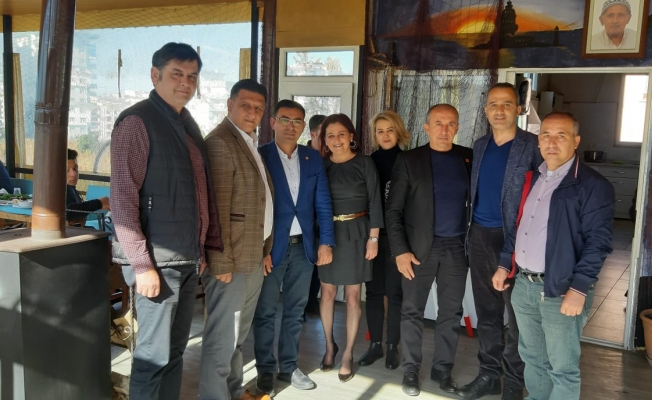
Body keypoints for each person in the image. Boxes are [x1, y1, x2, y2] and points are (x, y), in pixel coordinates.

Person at [110, 42, 223, 400]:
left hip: (185, 259)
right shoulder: (137, 122)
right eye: (177, 74)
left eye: (192, 76)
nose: (186, 82)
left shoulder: (186, 124)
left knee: (174, 355)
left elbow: (196, 195)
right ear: (154, 75)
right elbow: (123, 200)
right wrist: (142, 265)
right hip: (157, 264)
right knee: (152, 358)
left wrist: (199, 250)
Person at [493, 111, 615, 399]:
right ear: (538, 141)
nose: (551, 142)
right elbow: (520, 226)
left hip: (561, 290)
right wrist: (504, 264)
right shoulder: (533, 178)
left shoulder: (593, 185)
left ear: (576, 141)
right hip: (524, 287)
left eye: (561, 135)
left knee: (562, 368)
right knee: (533, 359)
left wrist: (579, 288)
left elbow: (598, 243)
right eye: (546, 135)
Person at [457, 83, 541, 400]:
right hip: (479, 235)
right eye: (493, 104)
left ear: (518, 108)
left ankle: (515, 382)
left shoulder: (532, 146)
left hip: (516, 239)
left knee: (517, 318)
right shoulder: (480, 145)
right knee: (487, 313)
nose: (500, 110)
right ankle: (489, 375)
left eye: (507, 104)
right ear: (485, 110)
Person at [386, 104, 472, 396]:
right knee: (412, 310)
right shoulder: (409, 160)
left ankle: (442, 370)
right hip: (417, 250)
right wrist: (400, 251)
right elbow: (393, 210)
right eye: (438, 123)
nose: (444, 130)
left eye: (450, 124)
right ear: (426, 128)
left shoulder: (467, 157)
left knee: (451, 312)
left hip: (456, 248)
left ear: (457, 127)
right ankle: (410, 370)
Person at [253, 100, 335, 396]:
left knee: (295, 311)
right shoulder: (260, 156)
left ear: (304, 126)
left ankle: (288, 367)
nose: (291, 126)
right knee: (264, 312)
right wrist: (261, 249)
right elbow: (255, 206)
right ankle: (265, 369)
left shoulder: (312, 158)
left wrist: (326, 241)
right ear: (272, 122)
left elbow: (323, 203)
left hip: (304, 249)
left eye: (297, 121)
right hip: (271, 249)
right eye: (285, 119)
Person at [200, 79, 273, 400]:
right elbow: (216, 209)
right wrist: (220, 261)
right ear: (230, 105)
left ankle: (232, 391)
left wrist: (265, 249)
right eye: (246, 105)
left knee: (237, 337)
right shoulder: (220, 142)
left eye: (259, 108)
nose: (252, 112)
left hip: (252, 256)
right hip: (229, 262)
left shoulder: (248, 141)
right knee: (222, 340)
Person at [318, 113, 383, 383]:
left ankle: (347, 354)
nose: (336, 140)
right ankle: (329, 346)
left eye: (341, 134)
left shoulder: (365, 163)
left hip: (358, 233)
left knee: (353, 297)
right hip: (328, 234)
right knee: (327, 293)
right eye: (330, 135)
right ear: (324, 140)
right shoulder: (321, 166)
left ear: (351, 136)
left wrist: (374, 238)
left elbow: (376, 201)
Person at [358, 110, 410, 370]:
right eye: (380, 131)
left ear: (398, 132)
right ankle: (375, 345)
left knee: (395, 293)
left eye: (390, 130)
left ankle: (392, 347)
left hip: (398, 238)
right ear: (374, 135)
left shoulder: (409, 160)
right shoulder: (369, 162)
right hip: (372, 237)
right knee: (374, 292)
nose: (385, 135)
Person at [305, 113, 328, 316]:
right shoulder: (300, 156)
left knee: (320, 263)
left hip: (325, 221)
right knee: (306, 263)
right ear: (313, 134)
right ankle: (305, 304)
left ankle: (312, 301)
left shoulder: (332, 158)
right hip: (304, 220)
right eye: (324, 133)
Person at [66, 148, 110, 224]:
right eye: (67, 170)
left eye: (75, 168)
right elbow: (69, 211)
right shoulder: (61, 190)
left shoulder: (70, 188)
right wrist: (99, 203)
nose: (73, 174)